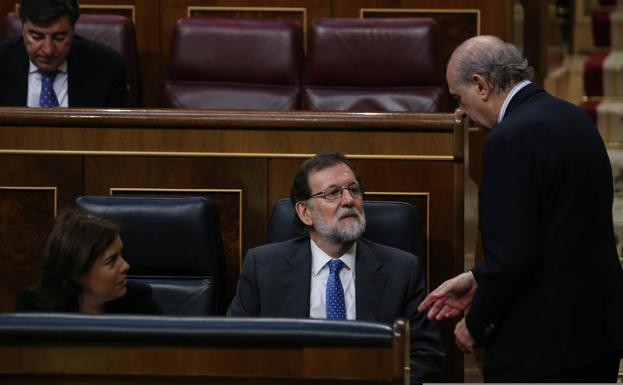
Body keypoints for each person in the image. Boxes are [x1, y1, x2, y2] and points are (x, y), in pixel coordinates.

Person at [418, 35, 623, 382]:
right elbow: (556, 230)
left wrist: (477, 323)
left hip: (543, 347)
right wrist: (476, 277)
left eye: (459, 98)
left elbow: (513, 254)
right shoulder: (571, 115)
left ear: (481, 85)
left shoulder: (508, 140)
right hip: (597, 330)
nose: (460, 112)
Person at [227, 151, 445, 384]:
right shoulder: (262, 267)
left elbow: (426, 356)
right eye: (333, 193)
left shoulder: (401, 269)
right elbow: (234, 348)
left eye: (353, 189)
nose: (349, 200)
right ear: (305, 212)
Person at [15, 208, 160, 314]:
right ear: (76, 271)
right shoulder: (33, 306)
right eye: (111, 260)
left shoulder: (139, 302)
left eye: (121, 255)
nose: (126, 266)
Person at [0, 0, 129, 107]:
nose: (48, 50)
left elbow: (123, 133)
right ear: (22, 30)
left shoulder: (107, 67)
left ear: (73, 30)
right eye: (37, 37)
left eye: (59, 37)